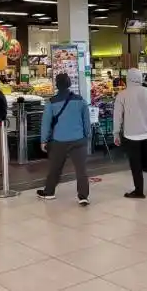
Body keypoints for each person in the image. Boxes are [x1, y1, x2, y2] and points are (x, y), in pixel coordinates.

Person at [37, 73, 92, 205]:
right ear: (69, 84)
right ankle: (83, 196)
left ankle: (49, 192)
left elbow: (46, 124)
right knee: (81, 170)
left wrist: (43, 140)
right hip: (78, 140)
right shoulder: (80, 100)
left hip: (59, 141)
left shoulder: (51, 102)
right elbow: (86, 121)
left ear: (57, 85)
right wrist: (87, 136)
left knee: (55, 168)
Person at [114, 68, 147, 199]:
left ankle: (139, 191)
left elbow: (117, 117)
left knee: (136, 164)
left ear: (127, 79)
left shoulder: (121, 95)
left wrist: (116, 133)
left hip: (131, 135)